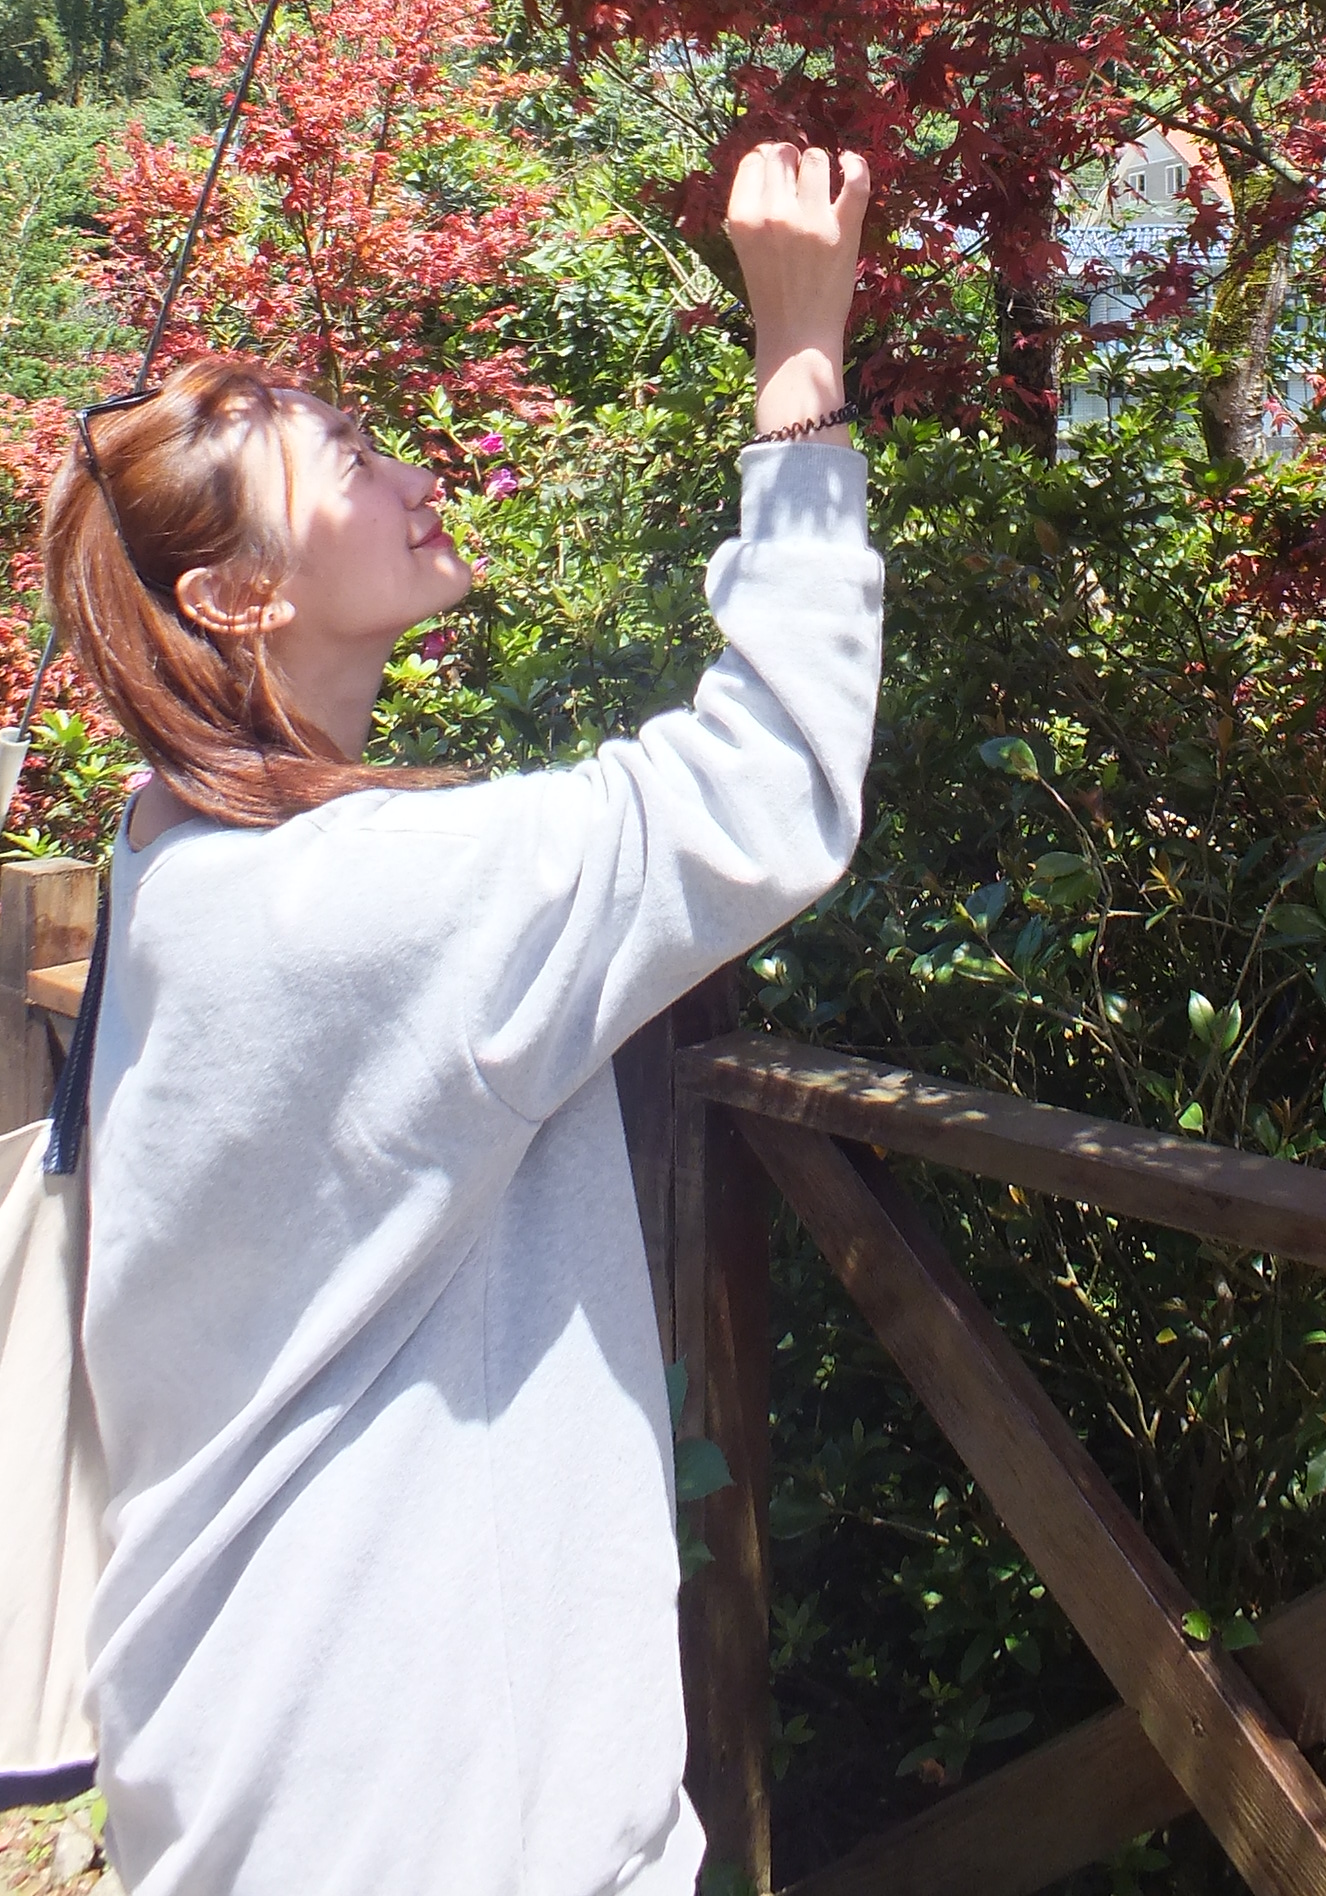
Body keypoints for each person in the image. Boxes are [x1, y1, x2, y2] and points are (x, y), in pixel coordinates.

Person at [40, 142, 881, 1896]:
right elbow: (764, 791)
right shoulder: (350, 903)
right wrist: (801, 365)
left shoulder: (176, 850)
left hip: (262, 1746)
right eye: (344, 460)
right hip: (425, 1802)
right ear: (237, 601)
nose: (410, 471)